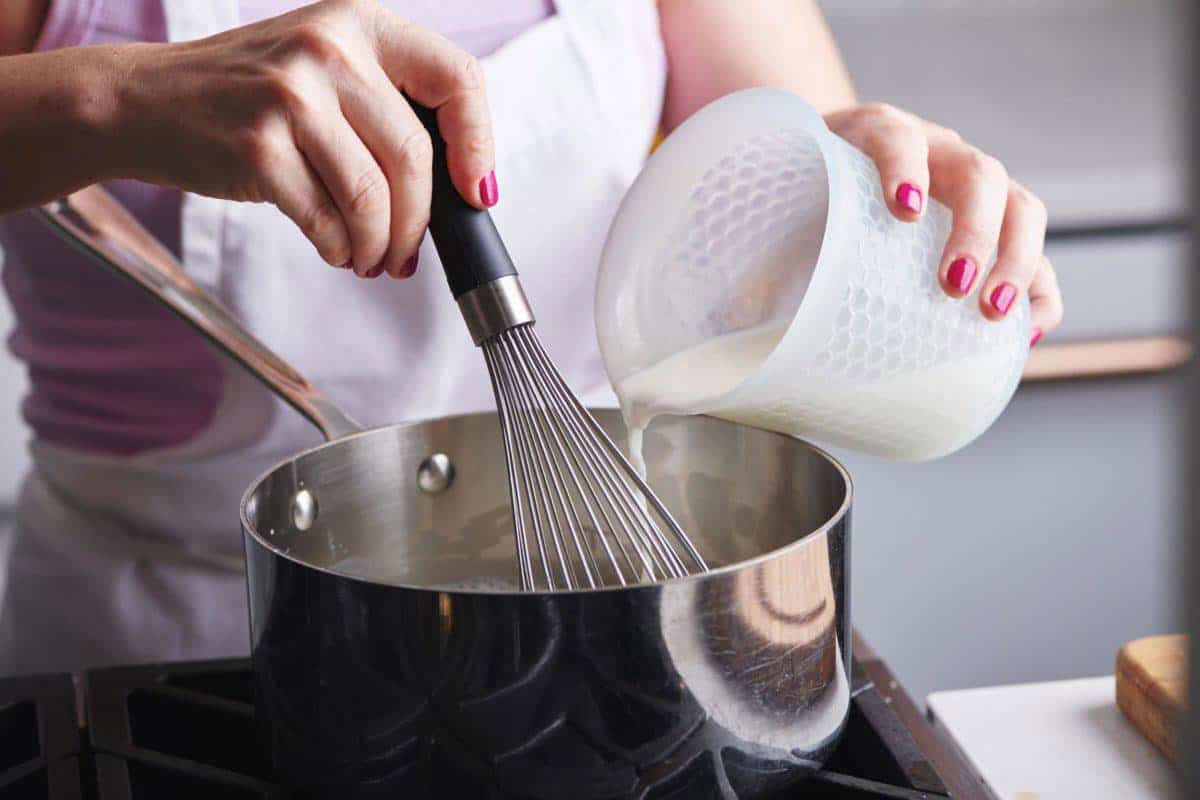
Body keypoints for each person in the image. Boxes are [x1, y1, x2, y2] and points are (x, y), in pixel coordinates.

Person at [0, 0, 1063, 675]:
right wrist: (118, 95)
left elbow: (791, 185)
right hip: (179, 648)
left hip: (610, 620)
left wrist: (874, 189)